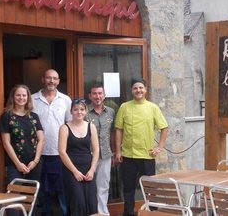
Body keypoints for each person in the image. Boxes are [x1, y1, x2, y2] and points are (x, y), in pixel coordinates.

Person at [114, 78, 169, 216]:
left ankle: (153, 213)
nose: (138, 90)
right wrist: (118, 151)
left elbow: (164, 127)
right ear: (131, 90)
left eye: (140, 88)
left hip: (147, 155)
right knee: (128, 188)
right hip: (128, 156)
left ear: (145, 89)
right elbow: (118, 129)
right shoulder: (124, 107)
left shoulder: (152, 107)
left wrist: (159, 147)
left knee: (151, 188)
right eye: (135, 88)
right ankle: (128, 213)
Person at [32, 69, 71, 216]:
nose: (51, 81)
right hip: (39, 153)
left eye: (55, 78)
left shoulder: (65, 100)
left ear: (58, 81)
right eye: (49, 78)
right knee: (42, 190)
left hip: (60, 153)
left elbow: (69, 125)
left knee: (62, 190)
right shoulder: (32, 99)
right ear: (43, 79)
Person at [59, 98, 100, 215]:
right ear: (71, 111)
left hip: (88, 168)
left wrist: (92, 170)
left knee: (92, 202)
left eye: (82, 109)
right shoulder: (64, 128)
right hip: (71, 169)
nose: (79, 112)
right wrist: (75, 172)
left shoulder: (91, 127)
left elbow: (96, 149)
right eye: (76, 109)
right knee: (78, 202)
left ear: (86, 111)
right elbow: (62, 152)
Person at [0, 84, 45, 184]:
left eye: (24, 95)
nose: (21, 98)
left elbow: (41, 139)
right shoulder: (6, 116)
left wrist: (35, 161)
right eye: (18, 95)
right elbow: (6, 143)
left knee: (32, 196)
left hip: (34, 164)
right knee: (14, 195)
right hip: (15, 164)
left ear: (28, 98)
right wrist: (18, 164)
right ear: (13, 97)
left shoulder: (34, 116)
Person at [86, 83, 116, 215]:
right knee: (89, 186)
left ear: (104, 95)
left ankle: (102, 212)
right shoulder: (84, 111)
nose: (97, 96)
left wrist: (115, 152)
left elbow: (114, 133)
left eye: (100, 93)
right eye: (94, 93)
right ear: (90, 96)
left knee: (103, 186)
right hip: (88, 155)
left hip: (105, 155)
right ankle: (91, 212)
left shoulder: (111, 111)